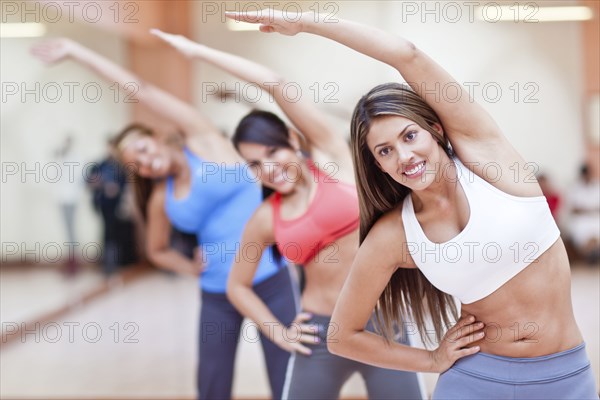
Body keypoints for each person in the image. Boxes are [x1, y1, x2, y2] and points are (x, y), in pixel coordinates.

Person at [225, 10, 600, 399]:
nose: (404, 156)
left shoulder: (490, 160)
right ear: (377, 164)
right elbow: (341, 336)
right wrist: (432, 360)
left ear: (435, 130)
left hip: (566, 376)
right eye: (385, 150)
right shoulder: (395, 233)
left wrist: (308, 24)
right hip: (475, 380)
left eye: (409, 136)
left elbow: (407, 55)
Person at [153, 29, 454, 400]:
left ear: (293, 142)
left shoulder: (332, 159)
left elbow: (277, 84)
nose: (268, 167)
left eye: (272, 152)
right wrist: (278, 331)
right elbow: (237, 286)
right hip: (319, 332)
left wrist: (196, 49)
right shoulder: (266, 217)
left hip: (383, 326)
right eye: (254, 163)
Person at [31, 38, 296, 400]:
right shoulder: (160, 198)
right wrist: (190, 267)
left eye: (142, 149)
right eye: (133, 164)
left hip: (270, 280)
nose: (143, 161)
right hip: (218, 291)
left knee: (290, 381)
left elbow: (139, 89)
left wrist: (79, 52)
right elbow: (157, 250)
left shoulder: (203, 141)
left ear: (155, 137)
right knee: (211, 387)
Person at [565, 164, 600, 264]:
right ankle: (590, 253)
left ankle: (593, 252)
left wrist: (585, 209)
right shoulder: (574, 188)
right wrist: (589, 209)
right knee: (582, 233)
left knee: (596, 231)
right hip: (580, 220)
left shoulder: (597, 186)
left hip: (595, 218)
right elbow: (573, 208)